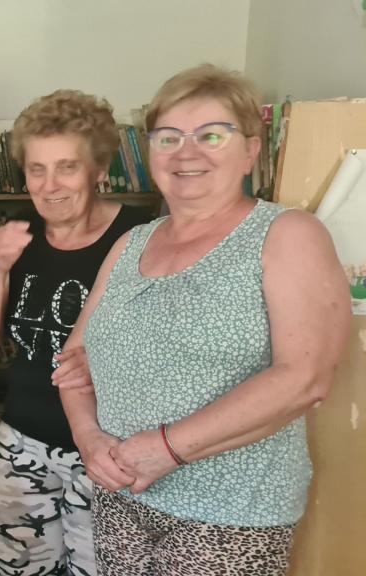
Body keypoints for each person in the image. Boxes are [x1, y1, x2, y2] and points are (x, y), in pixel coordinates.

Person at [57, 64, 350, 575]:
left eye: (212, 135)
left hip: (231, 512)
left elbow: (305, 378)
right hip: (120, 493)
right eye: (168, 137)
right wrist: (89, 440)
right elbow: (74, 359)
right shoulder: (131, 243)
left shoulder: (287, 234)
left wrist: (165, 449)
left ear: (251, 150)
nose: (186, 153)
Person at [0, 90, 149, 576]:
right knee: (21, 571)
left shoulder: (142, 236)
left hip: (107, 448)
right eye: (36, 169)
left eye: (67, 167)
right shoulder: (18, 231)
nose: (49, 185)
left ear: (99, 169)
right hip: (22, 442)